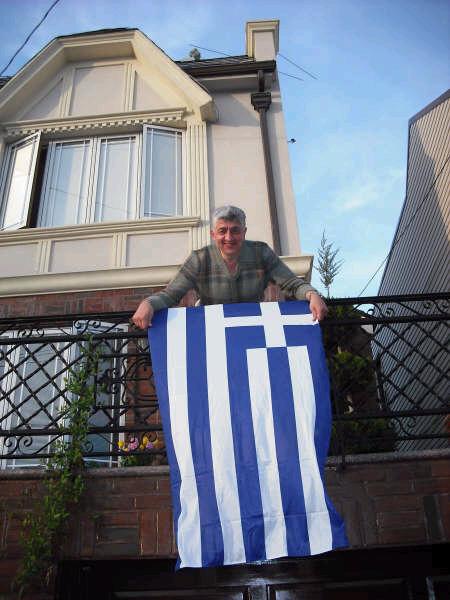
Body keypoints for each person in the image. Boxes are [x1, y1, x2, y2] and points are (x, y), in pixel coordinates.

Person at [132, 205, 327, 328]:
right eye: (222, 231)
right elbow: (170, 294)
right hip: (212, 330)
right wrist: (148, 303)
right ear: (213, 235)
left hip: (253, 327)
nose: (229, 237)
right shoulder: (199, 259)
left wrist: (312, 295)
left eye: (235, 231)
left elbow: (292, 283)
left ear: (244, 232)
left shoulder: (261, 252)